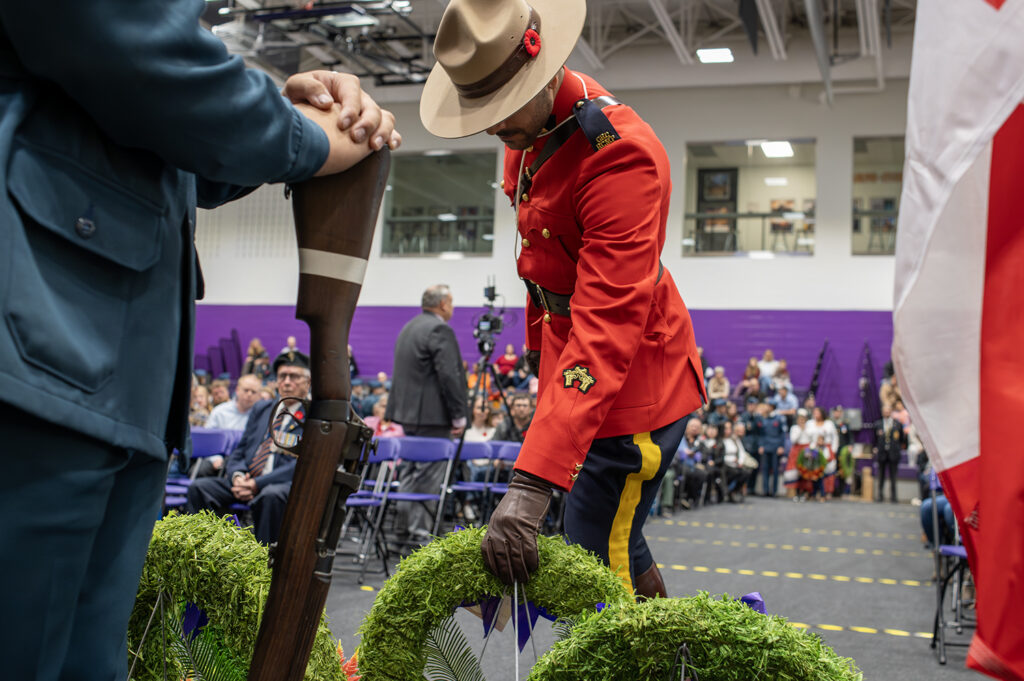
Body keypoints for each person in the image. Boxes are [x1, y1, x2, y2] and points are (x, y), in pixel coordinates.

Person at [0, 1, 402, 676]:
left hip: (101, 356)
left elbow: (166, 137)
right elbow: (121, 44)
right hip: (43, 333)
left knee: (84, 652)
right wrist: (301, 140)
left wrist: (280, 113)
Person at [419, 0, 705, 598]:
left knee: (593, 552)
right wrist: (535, 353)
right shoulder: (526, 123)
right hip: (571, 362)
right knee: (613, 533)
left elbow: (606, 327)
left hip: (636, 390)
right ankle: (681, 655)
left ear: (544, 69)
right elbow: (540, 261)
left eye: (499, 108)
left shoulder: (620, 155)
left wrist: (530, 483)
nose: (492, 125)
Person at [186, 354, 311, 544]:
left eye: (293, 377)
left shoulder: (313, 416)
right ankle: (208, 555)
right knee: (199, 489)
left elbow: (302, 464)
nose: (286, 382)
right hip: (246, 479)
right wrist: (237, 475)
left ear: (308, 382)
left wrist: (257, 484)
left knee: (271, 496)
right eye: (282, 376)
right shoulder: (262, 408)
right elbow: (241, 449)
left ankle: (262, 565)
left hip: (278, 484)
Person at [385, 284, 468, 540]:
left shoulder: (409, 327)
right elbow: (450, 375)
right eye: (451, 302)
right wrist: (458, 414)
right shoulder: (439, 329)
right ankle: (420, 536)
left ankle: (402, 530)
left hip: (408, 415)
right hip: (432, 418)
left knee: (410, 473)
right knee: (428, 480)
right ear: (443, 304)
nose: (452, 307)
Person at [874, 405, 904, 503]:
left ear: (891, 412)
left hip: (893, 453)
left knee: (893, 476)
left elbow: (902, 439)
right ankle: (880, 496)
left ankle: (894, 497)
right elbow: (874, 439)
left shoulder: (897, 424)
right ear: (882, 412)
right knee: (881, 476)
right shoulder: (878, 424)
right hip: (882, 453)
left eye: (888, 411)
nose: (886, 413)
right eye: (885, 411)